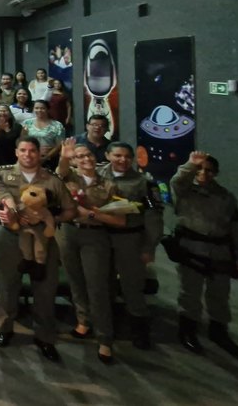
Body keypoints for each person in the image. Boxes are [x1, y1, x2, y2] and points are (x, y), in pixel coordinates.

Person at [0, 137, 76, 362]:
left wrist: (49, 218)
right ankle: (4, 327)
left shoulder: (52, 179)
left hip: (43, 240)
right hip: (10, 236)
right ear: (16, 152)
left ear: (39, 154)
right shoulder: (1, 174)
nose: (27, 155)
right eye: (23, 150)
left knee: (45, 289)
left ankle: (45, 336)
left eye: (32, 151)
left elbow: (70, 211)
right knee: (7, 285)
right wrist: (4, 214)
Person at [169, 151, 238, 357]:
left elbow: (236, 229)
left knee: (220, 294)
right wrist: (190, 165)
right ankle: (187, 331)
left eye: (209, 170)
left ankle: (219, 331)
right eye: (200, 170)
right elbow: (177, 180)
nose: (204, 173)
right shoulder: (185, 191)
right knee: (190, 293)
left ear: (216, 173)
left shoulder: (226, 197)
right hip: (191, 249)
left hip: (219, 251)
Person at [55, 138, 124, 363]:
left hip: (94, 236)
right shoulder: (68, 178)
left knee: (97, 287)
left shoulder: (109, 184)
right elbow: (61, 170)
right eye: (79, 156)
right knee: (76, 281)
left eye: (89, 155)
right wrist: (65, 156)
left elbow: (120, 220)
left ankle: (105, 338)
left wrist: (92, 214)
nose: (85, 159)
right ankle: (83, 322)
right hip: (68, 233)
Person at [101, 141, 163, 350]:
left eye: (127, 157)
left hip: (129, 239)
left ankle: (139, 329)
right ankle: (107, 326)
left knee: (132, 286)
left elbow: (154, 217)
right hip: (100, 238)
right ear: (108, 155)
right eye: (118, 155)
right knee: (102, 284)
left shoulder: (143, 182)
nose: (123, 160)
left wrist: (149, 247)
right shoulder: (97, 175)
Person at [20, 99, 65, 165]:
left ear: (48, 109)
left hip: (50, 159)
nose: (39, 110)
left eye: (42, 108)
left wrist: (46, 157)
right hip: (30, 157)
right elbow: (22, 140)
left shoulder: (57, 125)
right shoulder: (27, 123)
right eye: (36, 108)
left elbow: (60, 144)